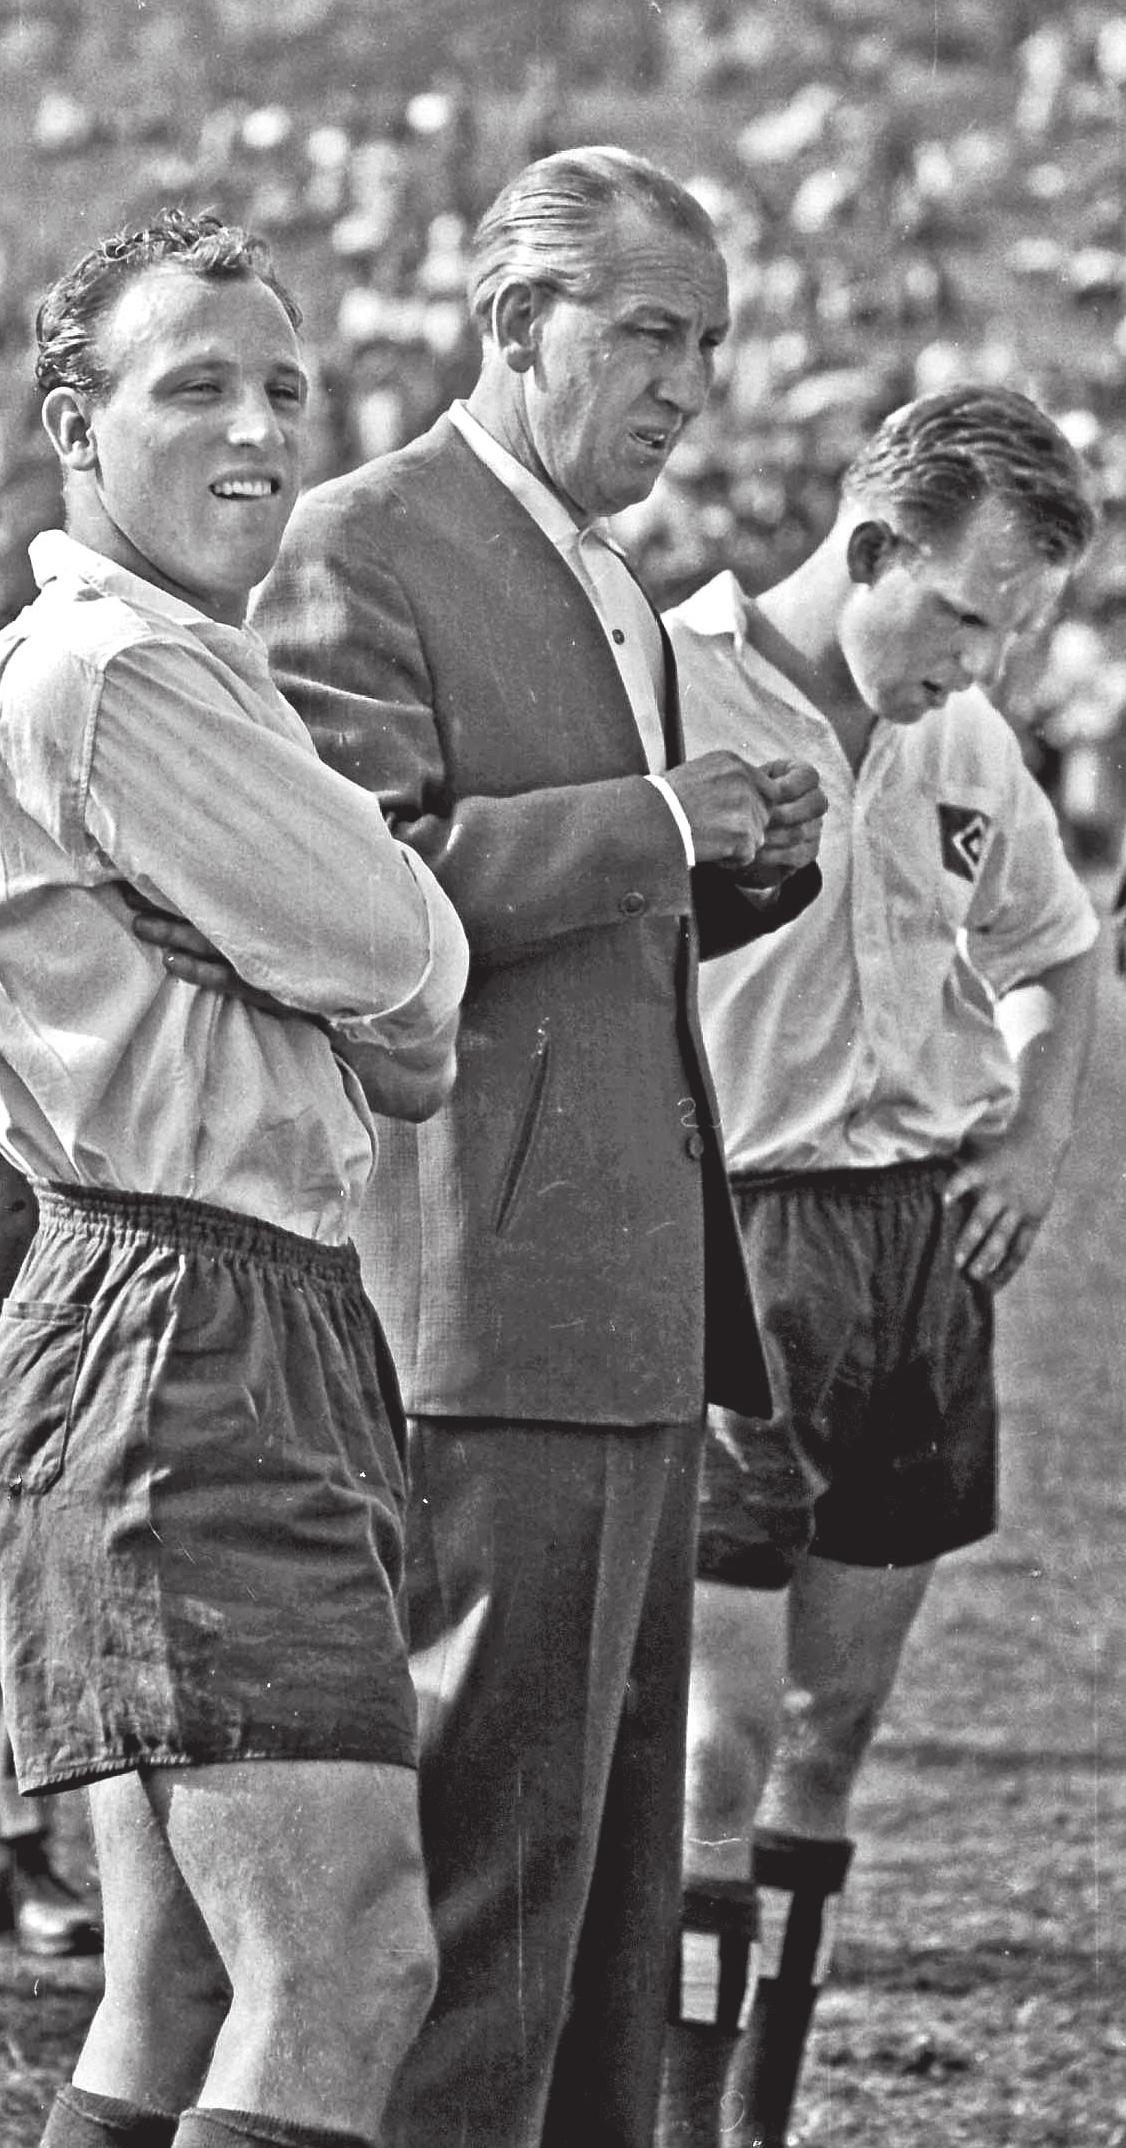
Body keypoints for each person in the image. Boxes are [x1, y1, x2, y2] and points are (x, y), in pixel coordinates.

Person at [247, 147, 825, 2148]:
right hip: (484, 1325)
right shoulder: (361, 545)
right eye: (647, 335)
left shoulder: (607, 583)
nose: (686, 387)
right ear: (510, 325)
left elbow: (591, 944)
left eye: (709, 348)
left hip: (627, 1318)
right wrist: (665, 824)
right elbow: (361, 891)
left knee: (600, 1911)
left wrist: (730, 864)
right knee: (490, 1913)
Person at [0, 211, 469, 2148]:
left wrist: (371, 978)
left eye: (284, 387)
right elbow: (415, 960)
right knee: (349, 1962)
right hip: (188, 1321)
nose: (261, 429)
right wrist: (374, 972)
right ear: (74, 426)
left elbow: (401, 1013)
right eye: (195, 384)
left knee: (184, 1970)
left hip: (215, 1307)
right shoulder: (115, 675)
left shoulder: (181, 666)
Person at [662, 384, 1100, 2148]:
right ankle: (674, 2122)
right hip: (736, 1241)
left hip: (913, 1246)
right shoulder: (669, 683)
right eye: (965, 615)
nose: (980, 667)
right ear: (866, 549)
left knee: (830, 1737)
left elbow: (1059, 951)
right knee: (715, 1741)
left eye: (1014, 632)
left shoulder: (963, 746)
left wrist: (1033, 1138)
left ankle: (758, 2118)